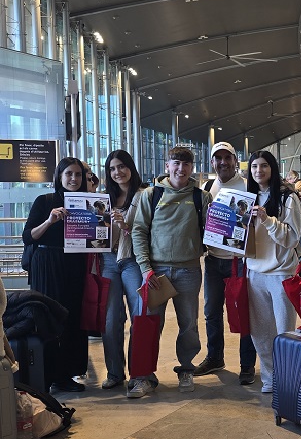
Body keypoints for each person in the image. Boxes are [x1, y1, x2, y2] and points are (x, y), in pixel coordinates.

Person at [132, 147, 212, 393]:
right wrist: (146, 269)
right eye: (176, 163)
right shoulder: (151, 195)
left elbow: (212, 232)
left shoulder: (201, 197)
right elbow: (139, 231)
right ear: (167, 166)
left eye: (186, 164)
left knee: (188, 324)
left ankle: (186, 369)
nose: (181, 168)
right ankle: (144, 376)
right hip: (156, 272)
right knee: (149, 324)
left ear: (192, 168)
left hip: (189, 270)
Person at [22, 157, 89, 392]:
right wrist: (49, 221)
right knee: (48, 318)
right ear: (60, 176)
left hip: (74, 263)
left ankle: (66, 374)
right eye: (69, 174)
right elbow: (28, 236)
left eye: (78, 174)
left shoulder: (87, 202)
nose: (73, 179)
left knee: (72, 317)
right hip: (47, 263)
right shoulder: (45, 201)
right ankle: (47, 374)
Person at [194, 142, 257, 385]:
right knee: (211, 311)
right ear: (212, 162)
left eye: (227, 158)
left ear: (235, 159)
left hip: (239, 261)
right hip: (213, 259)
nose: (223, 162)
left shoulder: (248, 186)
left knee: (243, 311)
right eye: (217, 158)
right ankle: (214, 357)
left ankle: (247, 364)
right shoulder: (208, 187)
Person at [246, 151, 301, 394]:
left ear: (273, 168)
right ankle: (270, 377)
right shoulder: (246, 196)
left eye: (264, 166)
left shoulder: (287, 198)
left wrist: (267, 220)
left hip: (281, 273)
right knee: (259, 332)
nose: (259, 171)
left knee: (284, 331)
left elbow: (291, 237)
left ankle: (289, 378)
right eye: (254, 166)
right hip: (254, 272)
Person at [100, 150, 154, 397]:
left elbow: (151, 232)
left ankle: (140, 374)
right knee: (111, 320)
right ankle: (114, 372)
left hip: (133, 260)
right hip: (108, 261)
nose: (117, 172)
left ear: (130, 167)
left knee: (140, 315)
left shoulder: (145, 196)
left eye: (121, 166)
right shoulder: (102, 199)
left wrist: (125, 226)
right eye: (112, 168)